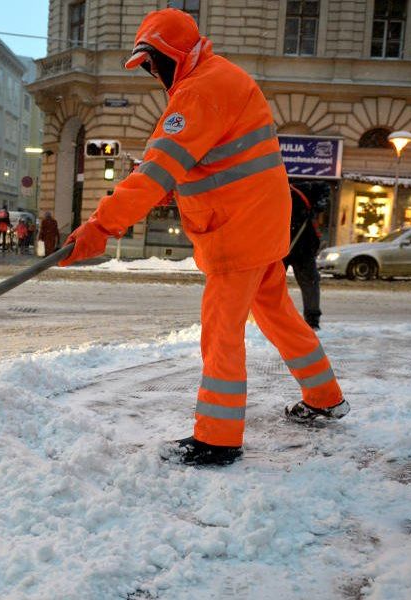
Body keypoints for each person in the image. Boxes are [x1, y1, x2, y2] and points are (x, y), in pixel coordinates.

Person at [58, 8, 349, 466]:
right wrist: (159, 185)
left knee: (220, 335)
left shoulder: (198, 92)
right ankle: (325, 396)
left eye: (154, 62)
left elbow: (157, 171)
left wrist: (100, 227)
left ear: (174, 54)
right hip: (260, 225)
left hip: (239, 231)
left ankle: (218, 438)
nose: (153, 72)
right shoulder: (220, 77)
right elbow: (196, 163)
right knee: (279, 317)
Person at [283, 181, 327, 330]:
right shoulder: (273, 195)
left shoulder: (300, 190)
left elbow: (324, 189)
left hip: (297, 248)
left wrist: (317, 205)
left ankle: (311, 320)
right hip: (287, 249)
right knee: (309, 284)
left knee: (309, 284)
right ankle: (311, 320)